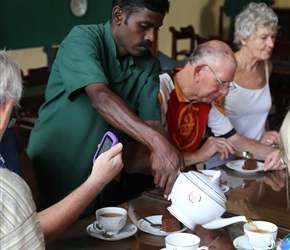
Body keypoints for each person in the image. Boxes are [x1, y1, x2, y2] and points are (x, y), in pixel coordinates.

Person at [27, 0, 183, 215]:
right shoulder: (82, 39)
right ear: (118, 16)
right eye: (144, 26)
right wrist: (158, 144)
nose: (151, 37)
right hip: (55, 166)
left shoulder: (148, 65)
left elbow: (152, 122)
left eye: (156, 28)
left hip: (103, 175)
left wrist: (168, 154)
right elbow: (101, 98)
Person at [0, 50, 124, 247]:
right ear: (7, 107)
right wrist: (96, 181)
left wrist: (33, 209)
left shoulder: (8, 138)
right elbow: (37, 232)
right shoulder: (7, 187)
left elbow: (20, 155)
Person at [125, 40, 283, 178]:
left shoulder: (207, 100)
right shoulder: (158, 92)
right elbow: (133, 163)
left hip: (182, 183)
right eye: (221, 83)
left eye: (229, 85)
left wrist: (276, 155)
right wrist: (197, 156)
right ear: (198, 72)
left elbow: (235, 140)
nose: (225, 92)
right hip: (141, 189)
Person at [206, 2, 282, 169]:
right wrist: (263, 151)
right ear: (243, 38)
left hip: (260, 159)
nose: (271, 44)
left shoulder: (267, 67)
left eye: (273, 36)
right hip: (226, 161)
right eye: (264, 38)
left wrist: (266, 135)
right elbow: (216, 129)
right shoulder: (224, 70)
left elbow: (261, 112)